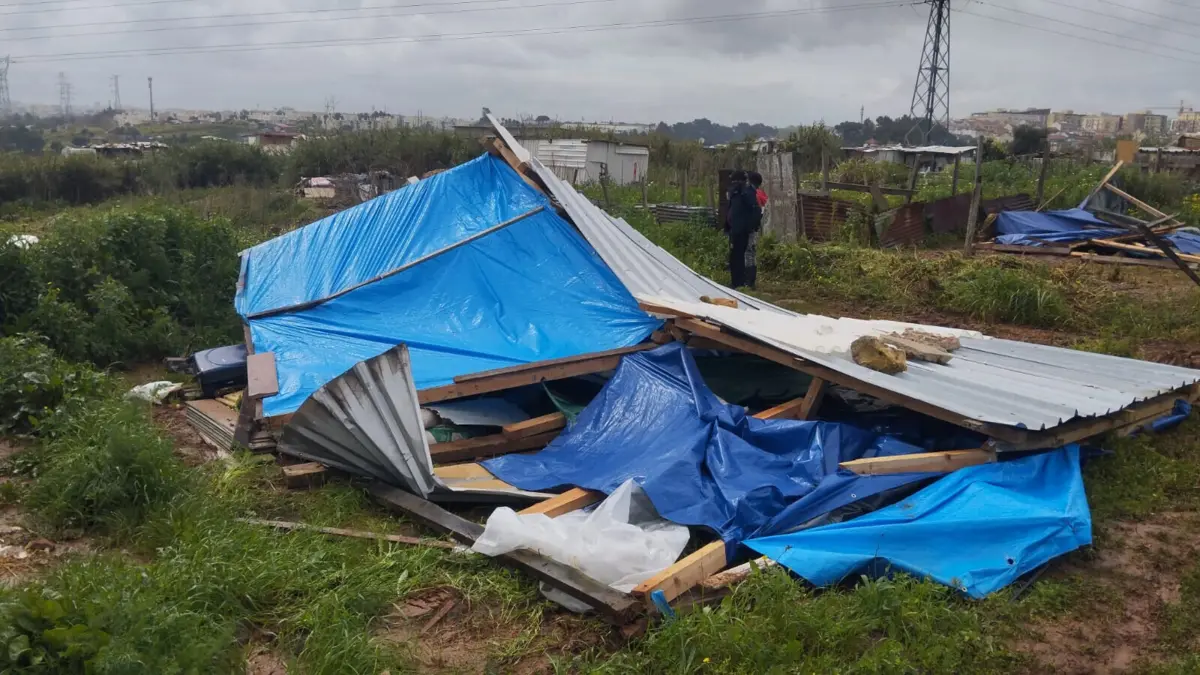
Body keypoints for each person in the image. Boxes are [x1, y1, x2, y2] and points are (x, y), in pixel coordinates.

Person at [725, 170, 761, 289]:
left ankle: (743, 282)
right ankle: (737, 282)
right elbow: (731, 211)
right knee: (735, 256)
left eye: (734, 181)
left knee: (742, 255)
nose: (732, 183)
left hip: (742, 230)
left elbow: (755, 210)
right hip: (735, 230)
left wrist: (751, 227)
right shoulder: (736, 192)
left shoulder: (745, 193)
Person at [746, 172, 768, 289]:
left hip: (749, 227)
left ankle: (749, 281)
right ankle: (752, 280)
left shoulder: (753, 195)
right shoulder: (762, 194)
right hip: (756, 227)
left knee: (748, 252)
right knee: (752, 252)